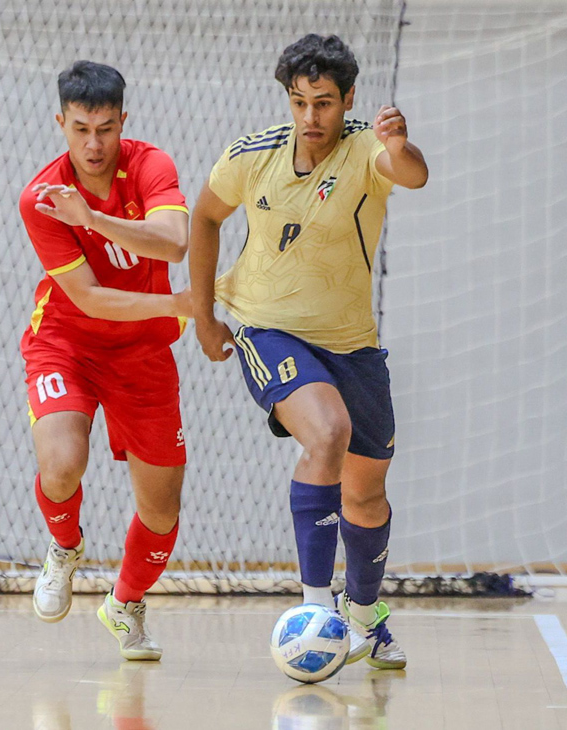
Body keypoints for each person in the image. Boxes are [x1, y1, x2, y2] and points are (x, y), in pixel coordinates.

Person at [189, 34, 427, 669]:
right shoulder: (250, 156)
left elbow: (413, 175)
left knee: (367, 493)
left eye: (323, 103)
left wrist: (401, 147)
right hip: (268, 328)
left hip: (352, 344)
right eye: (299, 103)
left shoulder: (367, 149)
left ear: (348, 98)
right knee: (326, 435)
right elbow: (204, 216)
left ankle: (365, 613)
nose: (310, 118)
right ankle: (316, 608)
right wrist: (205, 314)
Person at [19, 60, 191, 661]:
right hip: (66, 341)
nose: (94, 144)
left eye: (106, 129)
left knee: (162, 508)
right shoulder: (40, 199)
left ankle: (124, 603)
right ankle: (65, 548)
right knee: (62, 462)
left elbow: (173, 241)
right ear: (61, 123)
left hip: (142, 352)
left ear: (124, 122)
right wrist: (178, 301)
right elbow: (89, 297)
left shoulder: (151, 165)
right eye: (81, 129)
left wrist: (93, 219)